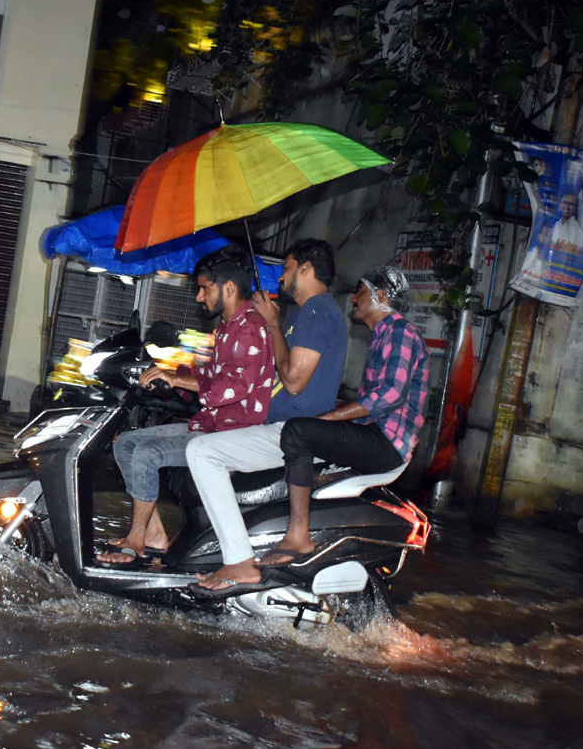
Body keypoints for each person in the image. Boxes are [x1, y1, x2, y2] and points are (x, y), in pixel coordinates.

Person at [94, 245, 274, 567]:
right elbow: (210, 374)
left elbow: (236, 385)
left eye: (205, 288)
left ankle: (135, 540)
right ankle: (152, 535)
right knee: (127, 443)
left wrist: (179, 382)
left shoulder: (249, 327)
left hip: (231, 434)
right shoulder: (228, 329)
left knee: (146, 454)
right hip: (209, 424)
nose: (199, 297)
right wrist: (168, 372)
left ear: (228, 288)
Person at [186, 239, 348, 591]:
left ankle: (239, 561)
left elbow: (292, 381)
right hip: (279, 426)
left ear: (306, 269)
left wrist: (272, 323)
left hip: (291, 431)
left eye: (287, 269)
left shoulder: (317, 312)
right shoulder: (307, 313)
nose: (280, 279)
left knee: (201, 452)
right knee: (198, 444)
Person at [258, 265, 430, 569]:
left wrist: (330, 418)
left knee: (299, 432)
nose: (354, 299)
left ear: (381, 296)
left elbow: (390, 395)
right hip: (376, 435)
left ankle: (298, 535)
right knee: (306, 427)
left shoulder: (399, 331)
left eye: (360, 291)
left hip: (385, 443)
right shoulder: (383, 334)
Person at [550, 192, 583, 256]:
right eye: (565, 202)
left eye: (571, 204)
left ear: (575, 208)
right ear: (560, 205)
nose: (567, 207)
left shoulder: (578, 230)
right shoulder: (556, 225)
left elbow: (577, 253)